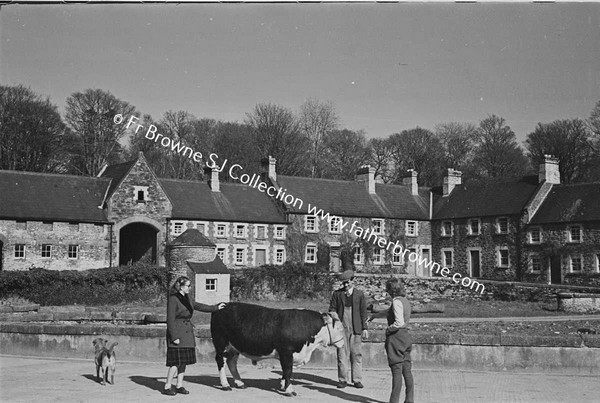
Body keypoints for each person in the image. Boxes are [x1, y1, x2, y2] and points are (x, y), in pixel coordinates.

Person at [163, 276, 226, 396]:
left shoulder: (188, 298)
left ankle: (179, 385)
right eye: (188, 286)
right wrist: (174, 337)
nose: (190, 288)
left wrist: (216, 307)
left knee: (184, 362)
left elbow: (200, 306)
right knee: (175, 363)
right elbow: (170, 320)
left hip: (187, 333)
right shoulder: (173, 299)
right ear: (180, 286)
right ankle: (167, 386)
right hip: (178, 333)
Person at [329, 270, 368, 389]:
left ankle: (357, 379)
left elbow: (363, 313)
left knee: (356, 354)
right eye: (344, 283)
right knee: (342, 354)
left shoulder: (359, 294)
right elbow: (331, 309)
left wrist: (365, 328)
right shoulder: (337, 294)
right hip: (341, 328)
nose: (346, 285)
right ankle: (342, 379)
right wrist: (336, 319)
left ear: (353, 281)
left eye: (348, 283)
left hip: (356, 327)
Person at [385, 277, 414, 403]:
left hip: (396, 338)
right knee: (406, 370)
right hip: (406, 337)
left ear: (391, 290)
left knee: (396, 370)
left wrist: (388, 329)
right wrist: (375, 315)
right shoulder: (405, 300)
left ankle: (394, 400)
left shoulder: (396, 301)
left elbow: (399, 322)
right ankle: (409, 399)